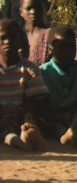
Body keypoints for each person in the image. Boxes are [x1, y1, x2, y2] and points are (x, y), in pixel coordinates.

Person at [0, 19, 48, 151]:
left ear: (20, 41)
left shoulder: (28, 68)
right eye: (2, 38)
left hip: (21, 116)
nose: (8, 42)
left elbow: (32, 99)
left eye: (13, 37)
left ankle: (25, 135)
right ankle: (19, 141)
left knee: (36, 122)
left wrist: (23, 112)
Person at [19, 0, 51, 67]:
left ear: (45, 8)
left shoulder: (51, 35)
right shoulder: (19, 36)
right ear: (21, 12)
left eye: (38, 7)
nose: (33, 12)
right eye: (28, 9)